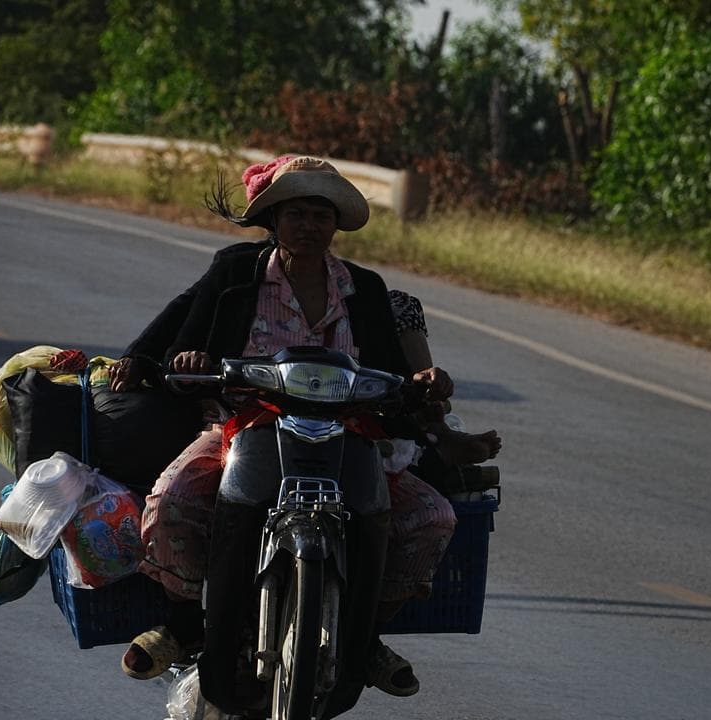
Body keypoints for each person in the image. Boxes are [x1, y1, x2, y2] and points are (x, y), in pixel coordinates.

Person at [111, 156, 497, 709]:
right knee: (171, 501)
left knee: (432, 519)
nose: (309, 226)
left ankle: (364, 639)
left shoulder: (364, 289)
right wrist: (183, 358)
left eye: (321, 214)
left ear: (336, 225)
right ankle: (184, 624)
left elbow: (393, 374)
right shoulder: (235, 275)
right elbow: (182, 341)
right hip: (242, 428)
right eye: (297, 213)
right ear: (273, 220)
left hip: (351, 436)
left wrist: (423, 383)